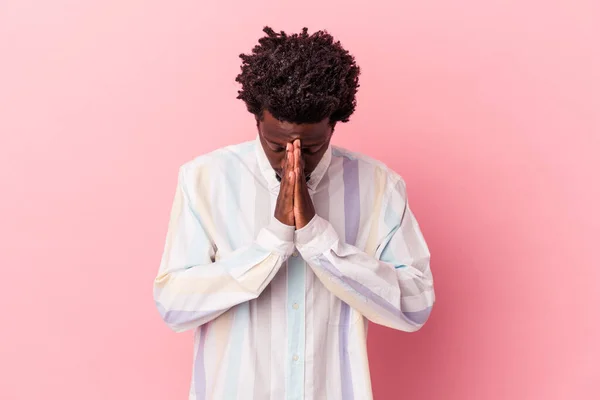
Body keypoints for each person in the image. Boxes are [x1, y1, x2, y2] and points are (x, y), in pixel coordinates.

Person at [154, 26, 435, 400]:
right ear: (257, 121)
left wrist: (319, 241)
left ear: (333, 126)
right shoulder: (206, 180)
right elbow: (174, 306)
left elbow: (415, 306)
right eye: (276, 145)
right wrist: (272, 244)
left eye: (312, 147)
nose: (293, 160)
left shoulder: (379, 186)